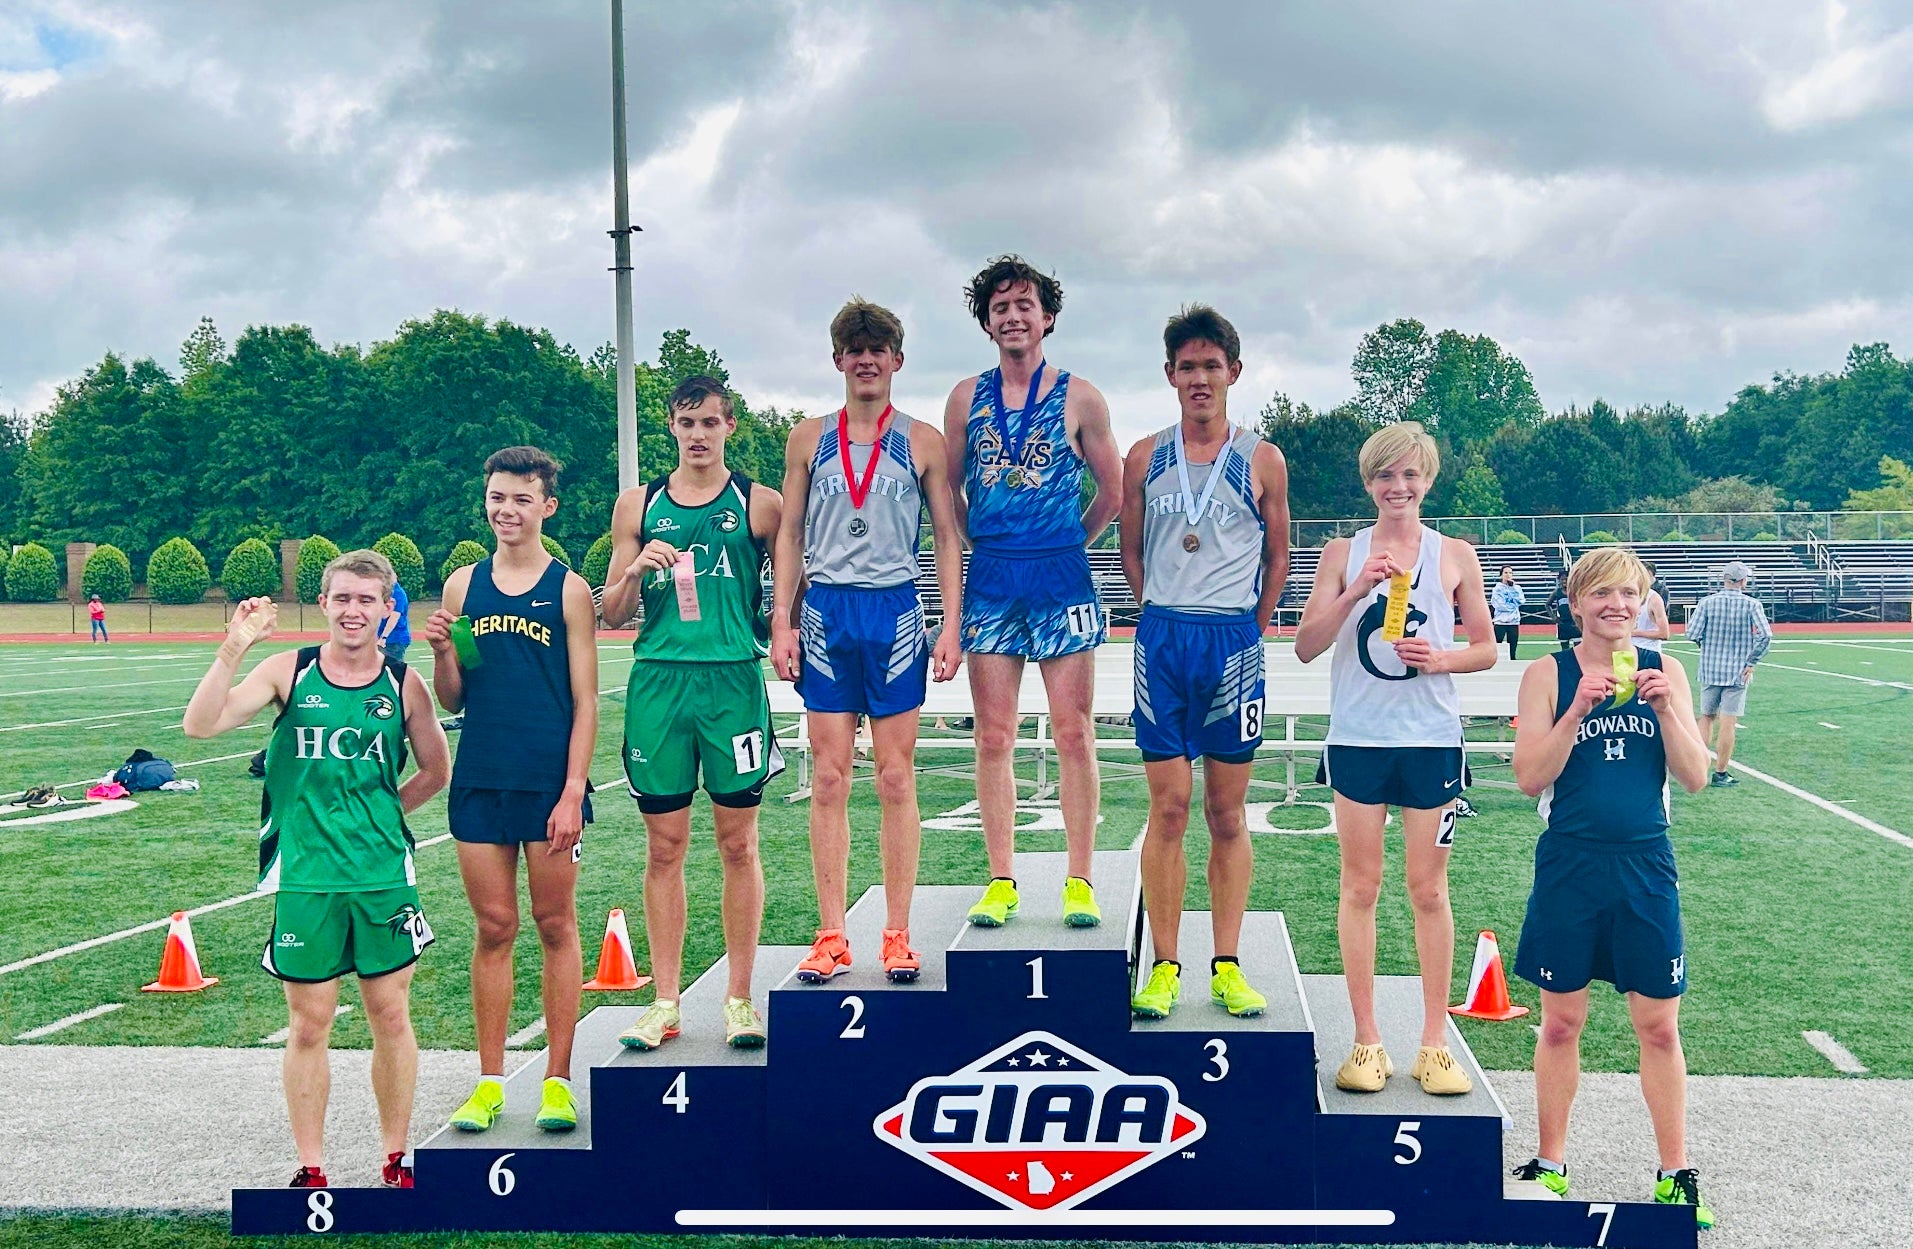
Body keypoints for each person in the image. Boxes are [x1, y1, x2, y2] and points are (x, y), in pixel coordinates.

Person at [182, 550, 450, 1190]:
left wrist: (385, 814)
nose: (354, 610)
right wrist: (232, 649)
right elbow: (201, 725)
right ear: (324, 604)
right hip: (303, 877)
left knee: (391, 1016)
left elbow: (438, 771)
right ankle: (312, 1167)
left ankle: (395, 1158)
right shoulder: (289, 671)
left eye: (367, 600)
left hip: (383, 876)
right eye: (342, 598)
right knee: (309, 1024)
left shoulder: (404, 683)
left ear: (388, 610)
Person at [1508, 547, 1715, 1228]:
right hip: (1569, 861)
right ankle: (1549, 1162)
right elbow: (1528, 776)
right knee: (1561, 1019)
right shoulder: (1547, 672)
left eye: (1628, 594)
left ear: (1643, 603)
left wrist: (1666, 713)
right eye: (1601, 594)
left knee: (1657, 1025)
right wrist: (1573, 711)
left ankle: (1674, 1171)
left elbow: (1694, 776)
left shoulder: (1664, 669)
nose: (1616, 606)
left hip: (1643, 863)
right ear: (1575, 604)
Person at [1294, 421, 1496, 1097]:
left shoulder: (1454, 553)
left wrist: (1440, 658)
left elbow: (1487, 648)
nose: (1398, 487)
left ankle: (1433, 1043)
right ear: (1368, 482)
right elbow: (1304, 644)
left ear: (1427, 480)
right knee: (1359, 886)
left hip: (1430, 739)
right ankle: (1366, 1039)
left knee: (1428, 889)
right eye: (1385, 475)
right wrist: (1354, 590)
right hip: (1357, 738)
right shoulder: (1339, 552)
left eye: (1410, 475)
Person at [771, 300, 964, 985]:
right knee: (828, 775)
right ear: (837, 361)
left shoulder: (921, 440)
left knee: (893, 775)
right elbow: (789, 534)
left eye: (877, 349)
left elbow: (945, 536)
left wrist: (949, 622)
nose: (865, 359)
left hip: (895, 615)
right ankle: (830, 934)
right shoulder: (807, 439)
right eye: (854, 349)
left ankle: (897, 933)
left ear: (896, 361)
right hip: (825, 612)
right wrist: (782, 620)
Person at [601, 375, 783, 1050]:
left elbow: (786, 589)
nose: (698, 433)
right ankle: (666, 999)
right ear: (671, 428)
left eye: (710, 421)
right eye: (686, 422)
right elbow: (612, 612)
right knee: (664, 845)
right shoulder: (639, 504)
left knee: (738, 842)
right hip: (659, 685)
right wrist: (631, 571)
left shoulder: (759, 504)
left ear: (730, 426)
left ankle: (738, 996)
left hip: (732, 682)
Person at [942, 255, 1124, 929]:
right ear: (986, 323)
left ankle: (1079, 878)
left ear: (1046, 316)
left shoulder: (1081, 396)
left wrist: (1069, 538)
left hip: (1059, 574)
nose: (1012, 315)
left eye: (1024, 304)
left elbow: (1113, 488)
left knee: (1073, 732)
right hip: (993, 574)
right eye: (999, 307)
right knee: (993, 735)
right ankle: (1001, 878)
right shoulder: (965, 397)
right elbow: (950, 490)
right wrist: (976, 541)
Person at [1120, 306, 1289, 1020]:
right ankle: (1164, 963)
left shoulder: (1262, 458)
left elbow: (1279, 554)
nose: (1198, 379)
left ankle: (1225, 962)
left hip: (1231, 645)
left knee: (1225, 810)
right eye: (1185, 367)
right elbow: (1128, 551)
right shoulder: (1143, 456)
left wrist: (1248, 627)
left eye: (1210, 366)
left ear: (1233, 373)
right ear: (1169, 375)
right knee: (1167, 807)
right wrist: (1160, 609)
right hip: (1162, 640)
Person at [425, 447, 598, 1135]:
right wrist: (442, 651)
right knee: (494, 927)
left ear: (546, 506)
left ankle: (557, 1081)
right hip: (481, 778)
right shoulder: (463, 586)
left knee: (555, 924)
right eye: (498, 497)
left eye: (521, 499)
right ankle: (489, 1081)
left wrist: (572, 791)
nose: (507, 510)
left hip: (547, 784)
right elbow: (457, 691)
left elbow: (585, 702)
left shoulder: (569, 590)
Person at [1685, 560, 1771, 788]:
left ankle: (1699, 767)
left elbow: (1691, 633)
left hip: (1710, 667)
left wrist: (1705, 647)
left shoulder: (1707, 603)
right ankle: (1721, 772)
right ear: (1743, 581)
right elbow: (1765, 635)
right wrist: (1752, 660)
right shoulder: (1751, 605)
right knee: (1728, 722)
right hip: (1737, 670)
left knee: (1706, 717)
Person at [1491, 565, 1526, 660]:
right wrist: (1512, 606)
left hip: (1513, 622)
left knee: (1513, 646)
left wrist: (1512, 588)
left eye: (1510, 573)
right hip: (1500, 621)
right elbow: (1499, 604)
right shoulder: (1497, 589)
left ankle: (1512, 662)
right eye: (1506, 573)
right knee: (1497, 645)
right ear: (1501, 575)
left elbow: (1521, 601)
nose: (1508, 575)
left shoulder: (1517, 588)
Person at [1632, 579, 1671, 654]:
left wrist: (1634, 633)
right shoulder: (1621, 596)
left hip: (1648, 651)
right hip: (1625, 652)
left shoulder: (1654, 599)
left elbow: (1664, 634)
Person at [378, 577, 411, 663]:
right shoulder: (385, 592)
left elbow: (394, 617)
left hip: (394, 639)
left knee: (393, 669)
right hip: (385, 638)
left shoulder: (397, 594)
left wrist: (384, 637)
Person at [1551, 570, 1578, 651]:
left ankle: (1577, 663)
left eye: (1566, 579)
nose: (1564, 581)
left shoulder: (1575, 592)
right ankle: (1567, 662)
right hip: (1562, 623)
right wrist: (1553, 616)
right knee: (1565, 648)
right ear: (1559, 580)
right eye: (1562, 579)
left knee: (1578, 647)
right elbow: (1547, 604)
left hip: (1574, 623)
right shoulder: (1557, 592)